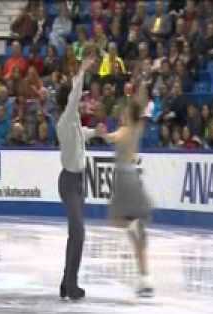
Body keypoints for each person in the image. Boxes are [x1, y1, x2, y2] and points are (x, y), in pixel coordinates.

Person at [99, 79, 154, 297]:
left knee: (119, 221)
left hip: (124, 179)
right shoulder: (132, 130)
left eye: (123, 113)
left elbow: (112, 136)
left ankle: (133, 227)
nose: (120, 115)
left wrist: (140, 89)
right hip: (132, 177)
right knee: (135, 231)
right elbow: (109, 136)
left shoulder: (127, 129)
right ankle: (145, 277)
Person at [55, 55, 102, 300]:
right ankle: (71, 284)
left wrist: (96, 132)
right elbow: (74, 98)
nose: (81, 102)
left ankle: (67, 282)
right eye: (78, 99)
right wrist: (81, 72)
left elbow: (81, 134)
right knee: (79, 232)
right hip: (70, 182)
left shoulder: (72, 122)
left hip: (79, 182)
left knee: (76, 233)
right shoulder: (64, 120)